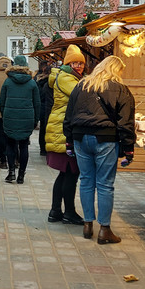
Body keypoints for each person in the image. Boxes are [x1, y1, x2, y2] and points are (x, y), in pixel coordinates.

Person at [63, 55, 135, 245]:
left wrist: (69, 140)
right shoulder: (120, 89)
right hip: (106, 139)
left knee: (86, 180)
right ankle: (104, 229)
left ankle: (87, 225)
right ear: (116, 70)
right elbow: (126, 121)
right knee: (105, 184)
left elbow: (69, 115)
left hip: (80, 137)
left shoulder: (82, 85)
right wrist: (129, 148)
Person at [45, 46, 86, 225]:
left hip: (62, 128)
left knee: (65, 173)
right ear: (68, 64)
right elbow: (83, 95)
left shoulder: (71, 77)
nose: (79, 66)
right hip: (63, 130)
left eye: (81, 63)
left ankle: (56, 211)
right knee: (70, 173)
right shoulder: (66, 78)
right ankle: (68, 212)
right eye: (75, 63)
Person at [0, 55, 40, 184]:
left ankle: (11, 172)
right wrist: (35, 119)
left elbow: (2, 101)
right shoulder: (32, 83)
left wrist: (4, 114)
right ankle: (21, 175)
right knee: (23, 146)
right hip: (26, 118)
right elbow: (37, 103)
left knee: (10, 145)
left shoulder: (7, 81)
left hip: (10, 116)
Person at [35, 61, 53, 156]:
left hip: (41, 107)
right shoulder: (50, 83)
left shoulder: (38, 80)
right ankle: (47, 147)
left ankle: (42, 148)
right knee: (48, 128)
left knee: (43, 128)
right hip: (49, 106)